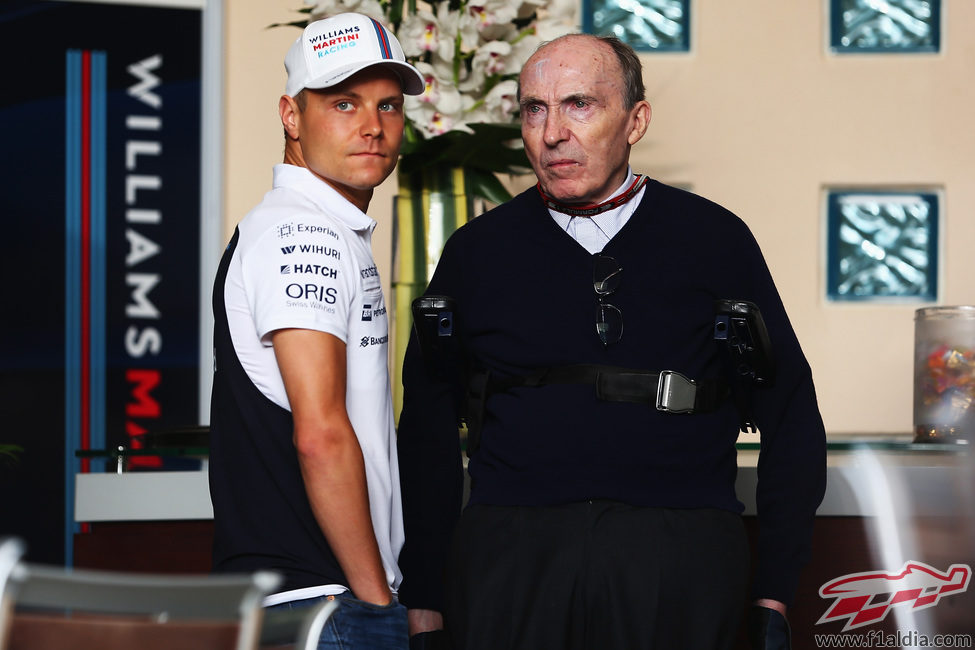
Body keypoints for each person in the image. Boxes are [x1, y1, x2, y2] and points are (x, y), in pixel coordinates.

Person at [397, 33, 827, 650]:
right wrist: (426, 600)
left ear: (636, 120)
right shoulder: (476, 252)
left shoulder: (713, 239)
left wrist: (773, 593)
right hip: (509, 562)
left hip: (678, 558)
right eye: (533, 109)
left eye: (579, 104)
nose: (551, 134)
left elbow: (792, 416)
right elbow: (426, 432)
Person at [207, 13, 425, 649]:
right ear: (290, 116)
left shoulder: (317, 225)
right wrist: (375, 599)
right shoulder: (299, 231)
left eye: (388, 106)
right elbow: (321, 435)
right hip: (323, 603)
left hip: (314, 596)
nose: (371, 126)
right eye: (343, 102)